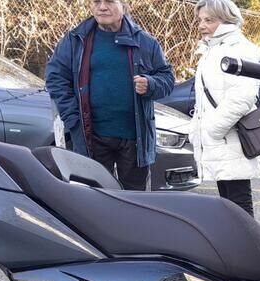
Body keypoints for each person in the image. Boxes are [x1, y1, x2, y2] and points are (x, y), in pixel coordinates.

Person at [45, 0, 174, 190]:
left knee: (135, 199)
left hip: (135, 139)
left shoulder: (146, 42)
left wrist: (151, 84)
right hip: (91, 137)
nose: (102, 7)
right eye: (96, 2)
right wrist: (73, 119)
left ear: (124, 5)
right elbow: (55, 78)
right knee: (94, 197)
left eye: (109, 2)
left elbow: (167, 78)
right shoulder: (75, 40)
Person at [189, 0, 260, 217]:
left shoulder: (241, 49)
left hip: (231, 137)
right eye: (200, 20)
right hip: (222, 138)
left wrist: (212, 129)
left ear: (226, 20)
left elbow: (243, 97)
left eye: (209, 20)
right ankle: (236, 239)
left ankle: (247, 240)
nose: (202, 25)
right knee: (229, 203)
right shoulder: (212, 49)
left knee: (238, 203)